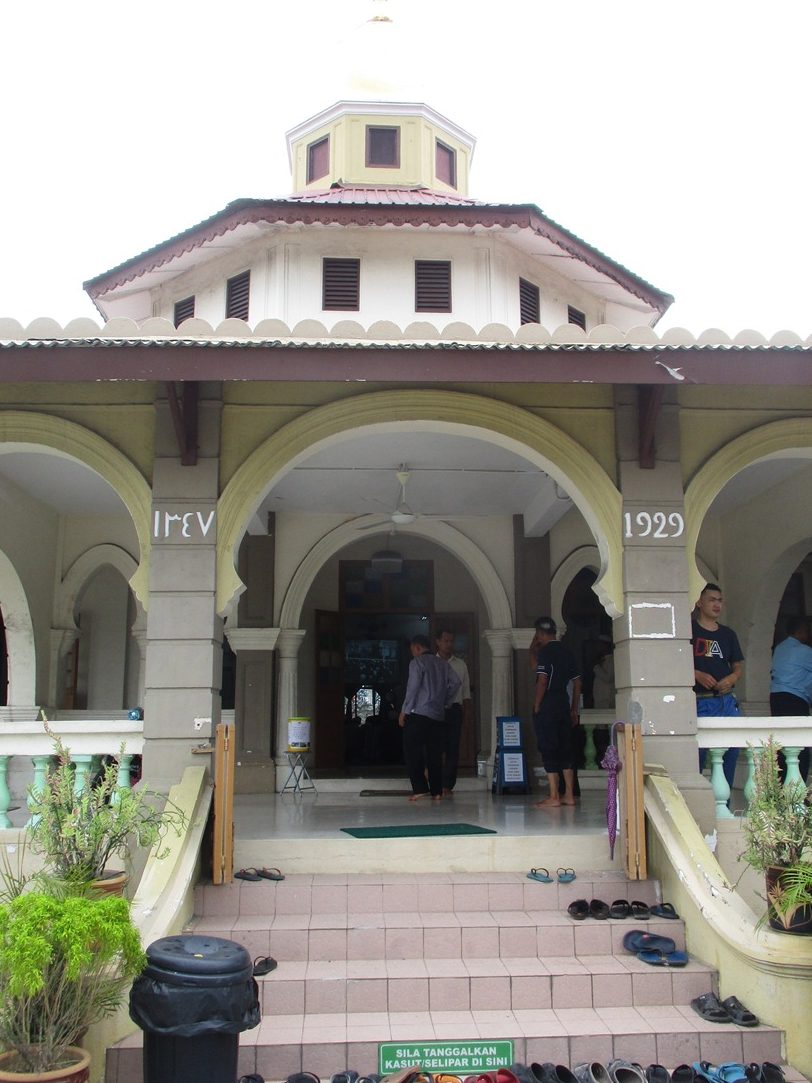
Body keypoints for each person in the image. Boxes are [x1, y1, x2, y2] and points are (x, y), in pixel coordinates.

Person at [693, 582, 744, 791]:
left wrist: (731, 679)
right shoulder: (689, 630)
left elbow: (738, 667)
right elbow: (674, 663)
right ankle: (695, 802)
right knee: (697, 756)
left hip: (726, 701)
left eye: (720, 600)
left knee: (732, 750)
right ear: (699, 602)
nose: (717, 605)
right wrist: (696, 674)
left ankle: (725, 802)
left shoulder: (728, 634)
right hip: (700, 701)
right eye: (712, 600)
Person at [399, 634, 461, 801]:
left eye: (413, 649)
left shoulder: (417, 662)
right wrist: (446, 702)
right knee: (435, 754)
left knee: (413, 750)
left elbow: (412, 688)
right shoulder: (443, 664)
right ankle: (437, 791)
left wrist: (404, 711)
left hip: (419, 713)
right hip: (438, 715)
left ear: (417, 647)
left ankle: (420, 788)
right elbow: (456, 682)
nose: (412, 653)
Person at [530, 616, 581, 808]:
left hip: (549, 704)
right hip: (564, 703)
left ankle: (553, 795)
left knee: (548, 747)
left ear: (540, 634)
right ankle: (568, 794)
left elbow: (542, 680)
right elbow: (577, 682)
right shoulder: (567, 652)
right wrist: (574, 709)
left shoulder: (545, 653)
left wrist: (537, 705)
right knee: (566, 748)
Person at [770, 615, 812, 782]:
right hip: (794, 699)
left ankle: (781, 785)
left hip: (776, 698)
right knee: (799, 745)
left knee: (781, 744)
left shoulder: (780, 648)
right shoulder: (804, 651)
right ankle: (797, 789)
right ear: (801, 631)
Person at [435, 627, 473, 796]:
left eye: (451, 641)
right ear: (438, 642)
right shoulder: (431, 663)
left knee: (452, 748)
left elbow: (466, 693)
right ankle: (435, 782)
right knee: (435, 747)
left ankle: (447, 785)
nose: (449, 644)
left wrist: (466, 715)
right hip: (435, 710)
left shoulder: (461, 665)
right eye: (446, 641)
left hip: (455, 710)